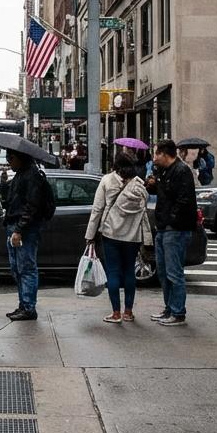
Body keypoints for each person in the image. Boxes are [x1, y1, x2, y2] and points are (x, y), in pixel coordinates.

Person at [84, 151, 151, 323]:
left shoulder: (107, 180)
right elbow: (143, 209)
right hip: (133, 236)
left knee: (113, 272)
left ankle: (115, 313)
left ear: (116, 165)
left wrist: (90, 234)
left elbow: (97, 209)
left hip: (111, 233)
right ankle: (128, 312)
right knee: (129, 271)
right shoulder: (139, 185)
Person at [146, 138, 196, 326]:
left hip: (175, 229)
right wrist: (153, 183)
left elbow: (183, 200)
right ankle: (169, 308)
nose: (154, 157)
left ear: (165, 154)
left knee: (174, 272)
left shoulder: (181, 171)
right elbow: (164, 193)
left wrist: (171, 220)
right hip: (164, 227)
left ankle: (178, 312)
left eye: (156, 153)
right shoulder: (164, 171)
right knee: (164, 271)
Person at [3, 149, 52, 321]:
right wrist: (3, 185)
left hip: (24, 229)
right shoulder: (21, 174)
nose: (9, 161)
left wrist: (19, 229)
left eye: (10, 158)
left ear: (19, 157)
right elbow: (14, 201)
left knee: (26, 267)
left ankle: (28, 307)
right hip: (16, 226)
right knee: (17, 267)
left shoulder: (32, 176)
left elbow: (31, 206)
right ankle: (24, 304)